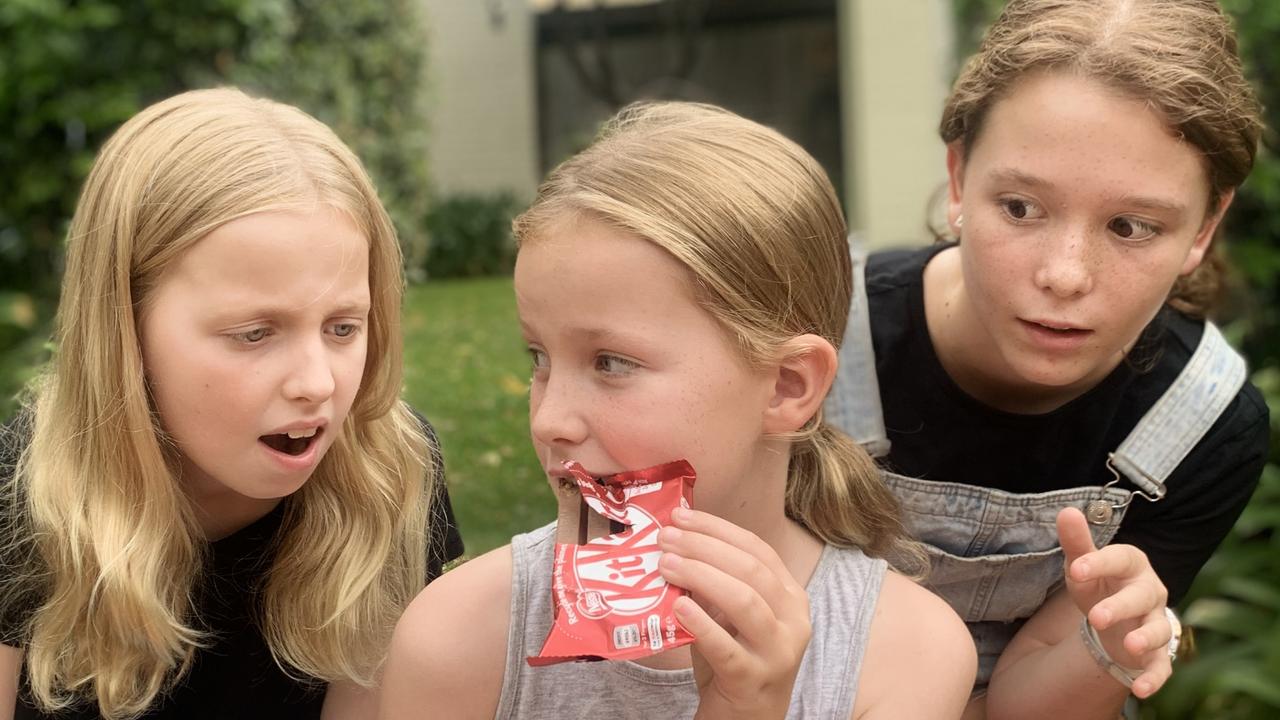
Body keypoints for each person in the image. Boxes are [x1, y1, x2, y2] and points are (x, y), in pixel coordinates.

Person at [379, 101, 977, 720]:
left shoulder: (902, 655)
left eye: (612, 363)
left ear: (786, 387)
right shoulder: (458, 639)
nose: (548, 420)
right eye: (540, 357)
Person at [823, 1, 1268, 718]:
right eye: (1023, 208)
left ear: (1204, 228)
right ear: (961, 176)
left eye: (1130, 226)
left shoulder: (1205, 424)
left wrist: (1107, 650)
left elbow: (1026, 704)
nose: (1065, 274)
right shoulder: (811, 337)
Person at [0, 88, 464, 720]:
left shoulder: (389, 472)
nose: (316, 383)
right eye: (254, 333)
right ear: (123, 330)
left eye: (343, 327)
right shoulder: (22, 491)